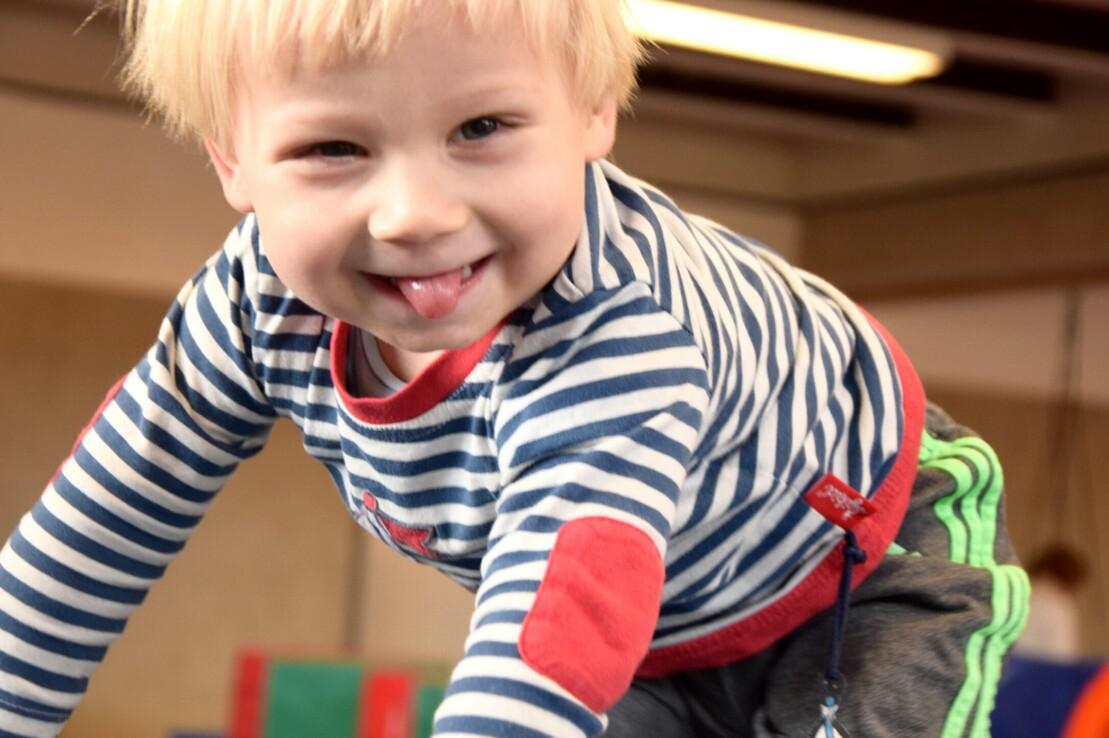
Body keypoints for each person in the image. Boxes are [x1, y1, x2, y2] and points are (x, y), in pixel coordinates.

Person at [0, 1, 1028, 735]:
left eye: (479, 129)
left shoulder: (619, 326)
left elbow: (554, 611)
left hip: (866, 561)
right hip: (661, 627)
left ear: (591, 111)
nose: (414, 215)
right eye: (331, 150)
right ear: (232, 158)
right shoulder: (253, 304)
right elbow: (95, 531)